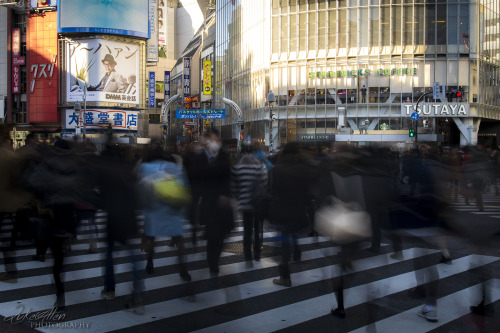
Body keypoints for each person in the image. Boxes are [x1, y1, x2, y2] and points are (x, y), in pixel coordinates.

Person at [138, 144, 191, 282]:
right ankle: (183, 269)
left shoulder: (145, 167)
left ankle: (150, 263)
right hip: (171, 209)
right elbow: (184, 186)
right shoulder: (175, 167)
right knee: (179, 239)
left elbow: (142, 190)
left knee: (152, 237)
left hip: (154, 209)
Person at [269, 143, 316, 287]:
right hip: (298, 210)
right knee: (293, 235)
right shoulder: (304, 169)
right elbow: (309, 192)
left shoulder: (277, 169)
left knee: (284, 242)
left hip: (282, 210)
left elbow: (271, 190)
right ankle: (296, 252)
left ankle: (285, 276)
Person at [189, 129, 234, 275]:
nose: (214, 142)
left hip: (222, 202)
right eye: (211, 139)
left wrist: (226, 194)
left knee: (221, 235)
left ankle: (215, 258)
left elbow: (229, 179)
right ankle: (212, 262)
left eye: (216, 139)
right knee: (212, 235)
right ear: (206, 142)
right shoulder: (199, 158)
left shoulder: (225, 157)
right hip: (207, 203)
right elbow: (194, 180)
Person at [231, 143, 268, 263]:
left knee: (247, 230)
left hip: (245, 204)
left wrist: (240, 197)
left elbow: (234, 187)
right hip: (258, 203)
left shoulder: (237, 168)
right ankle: (257, 252)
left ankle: (247, 255)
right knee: (257, 229)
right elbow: (264, 183)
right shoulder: (260, 167)